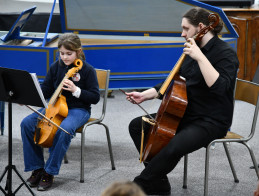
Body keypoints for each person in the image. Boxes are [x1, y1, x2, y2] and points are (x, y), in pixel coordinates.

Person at [126, 7, 239, 195]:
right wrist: (145, 94)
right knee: (137, 126)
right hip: (186, 112)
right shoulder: (193, 48)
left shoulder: (225, 54)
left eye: (186, 28)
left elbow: (220, 87)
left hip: (211, 120)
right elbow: (174, 81)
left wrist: (200, 57)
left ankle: (139, 185)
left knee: (174, 145)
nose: (182, 33)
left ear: (201, 27)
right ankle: (159, 180)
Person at [20, 33, 100, 191]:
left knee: (64, 130)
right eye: (62, 53)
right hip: (54, 107)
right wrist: (30, 96)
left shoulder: (87, 70)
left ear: (78, 52)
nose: (64, 57)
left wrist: (76, 90)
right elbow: (47, 88)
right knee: (27, 124)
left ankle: (49, 172)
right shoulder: (57, 66)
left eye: (69, 54)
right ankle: (37, 168)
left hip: (79, 109)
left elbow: (95, 97)